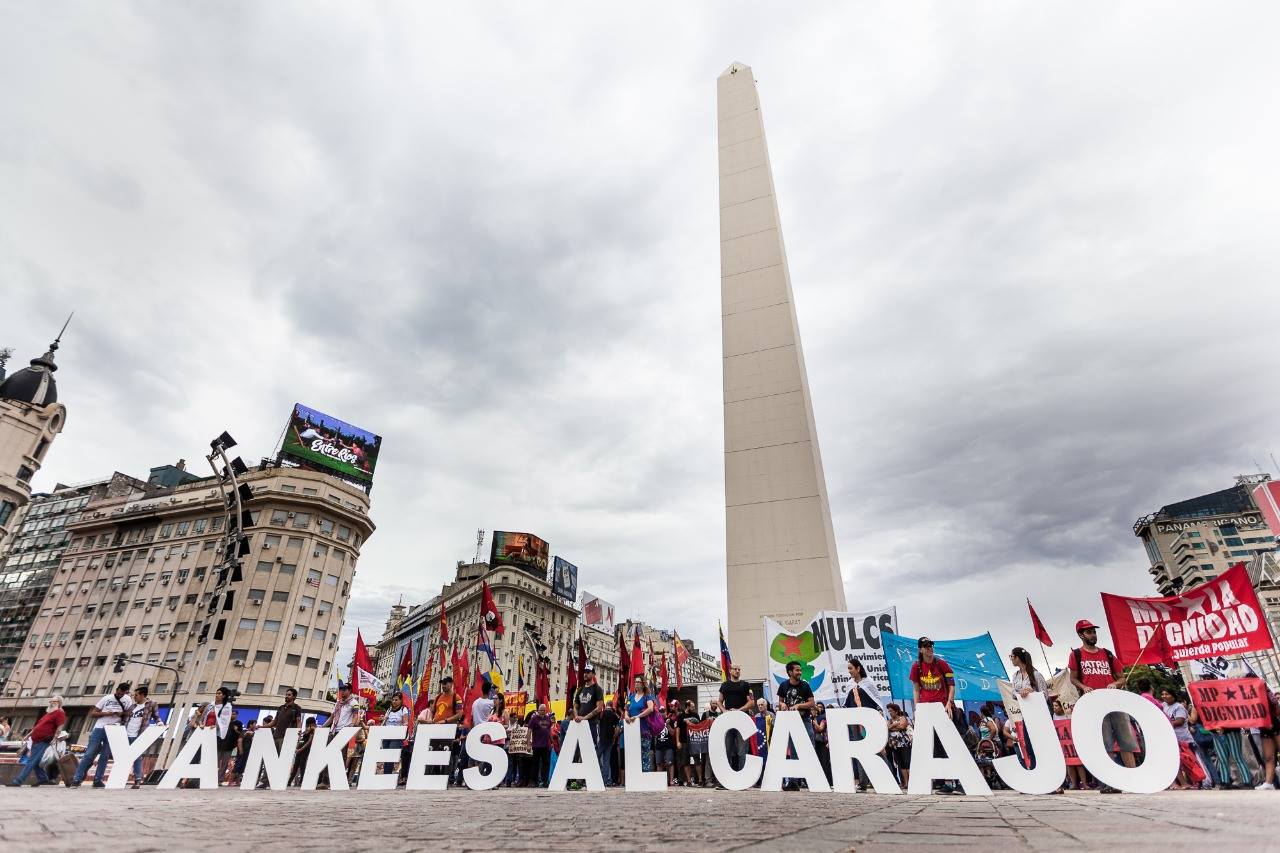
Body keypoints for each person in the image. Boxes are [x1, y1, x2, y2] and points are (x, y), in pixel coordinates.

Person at [1067, 619, 1137, 791]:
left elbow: (1122, 677)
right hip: (1094, 704)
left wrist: (1116, 683)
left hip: (1114, 702)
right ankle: (1110, 781)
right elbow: (1073, 678)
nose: (1093, 635)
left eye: (1094, 631)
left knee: (1126, 741)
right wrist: (1084, 687)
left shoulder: (1107, 653)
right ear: (1081, 635)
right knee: (1104, 743)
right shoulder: (1076, 655)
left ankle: (1134, 778)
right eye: (1089, 632)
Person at [909, 637, 964, 794]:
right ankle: (940, 781)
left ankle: (956, 781)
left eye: (931, 645)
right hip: (927, 710)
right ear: (920, 649)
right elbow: (916, 689)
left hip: (943, 709)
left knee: (949, 744)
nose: (929, 649)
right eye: (926, 646)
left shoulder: (941, 664)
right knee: (932, 745)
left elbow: (951, 685)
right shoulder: (916, 667)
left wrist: (949, 702)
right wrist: (917, 708)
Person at [72, 680, 134, 787]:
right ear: (117, 690)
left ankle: (97, 780)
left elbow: (129, 713)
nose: (120, 695)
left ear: (126, 693)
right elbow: (93, 713)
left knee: (105, 756)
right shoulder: (107, 698)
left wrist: (121, 713)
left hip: (114, 729)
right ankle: (77, 778)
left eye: (123, 694)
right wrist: (106, 713)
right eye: (119, 693)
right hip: (100, 727)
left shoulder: (128, 699)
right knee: (89, 754)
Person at [6, 696, 65, 787]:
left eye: (53, 701)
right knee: (35, 761)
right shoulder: (49, 713)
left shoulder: (59, 713)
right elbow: (37, 726)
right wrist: (28, 735)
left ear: (59, 702)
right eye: (50, 701)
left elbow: (60, 727)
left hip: (43, 740)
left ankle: (18, 781)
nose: (51, 702)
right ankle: (43, 778)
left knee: (32, 761)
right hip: (35, 739)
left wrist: (55, 738)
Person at [1161, 688, 1204, 789]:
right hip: (1173, 740)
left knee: (1190, 763)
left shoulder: (1179, 707)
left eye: (1167, 694)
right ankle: (1187, 783)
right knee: (1180, 763)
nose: (1164, 696)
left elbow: (1180, 721)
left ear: (1173, 696)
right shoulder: (1164, 706)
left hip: (1184, 740)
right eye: (1162, 694)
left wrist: (1165, 723)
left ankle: (1199, 782)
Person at [258, 688, 302, 788]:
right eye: (286, 694)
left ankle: (278, 781)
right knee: (270, 760)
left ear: (294, 697)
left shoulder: (296, 708)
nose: (287, 696)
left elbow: (298, 721)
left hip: (286, 738)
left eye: (289, 695)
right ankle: (264, 782)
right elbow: (274, 722)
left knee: (282, 761)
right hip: (275, 736)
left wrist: (298, 733)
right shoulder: (281, 707)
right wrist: (262, 726)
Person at [572, 665, 605, 780]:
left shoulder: (597, 689)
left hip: (592, 724)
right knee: (578, 750)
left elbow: (599, 708)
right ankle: (578, 779)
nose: (585, 674)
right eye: (584, 672)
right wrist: (577, 717)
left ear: (593, 674)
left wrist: (584, 718)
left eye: (588, 672)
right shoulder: (580, 689)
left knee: (592, 750)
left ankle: (595, 778)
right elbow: (575, 706)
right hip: (579, 724)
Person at [124, 685, 159, 789]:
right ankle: (121, 778)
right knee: (124, 758)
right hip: (125, 735)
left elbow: (156, 716)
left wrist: (160, 723)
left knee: (137, 758)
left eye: (136, 695)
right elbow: (125, 719)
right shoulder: (132, 707)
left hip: (138, 735)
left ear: (142, 695)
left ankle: (138, 780)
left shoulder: (151, 704)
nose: (134, 697)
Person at [719, 665, 752, 772]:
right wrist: (724, 710)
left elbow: (751, 702)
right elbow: (719, 701)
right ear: (730, 671)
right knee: (727, 748)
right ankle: (726, 776)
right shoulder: (724, 685)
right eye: (735, 669)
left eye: (739, 669)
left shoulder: (746, 685)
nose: (737, 671)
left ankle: (743, 775)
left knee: (742, 750)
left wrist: (739, 710)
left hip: (742, 720)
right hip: (728, 721)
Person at [432, 676, 464, 782]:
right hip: (436, 729)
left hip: (448, 729)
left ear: (451, 684)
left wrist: (446, 720)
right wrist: (433, 720)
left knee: (447, 753)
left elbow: (460, 714)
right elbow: (434, 711)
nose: (443, 686)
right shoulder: (438, 697)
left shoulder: (456, 697)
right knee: (435, 752)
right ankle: (436, 775)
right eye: (442, 684)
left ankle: (446, 777)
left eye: (445, 684)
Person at [623, 675, 657, 772]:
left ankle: (645, 776)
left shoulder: (647, 696)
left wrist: (637, 717)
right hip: (632, 730)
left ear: (643, 684)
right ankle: (634, 775)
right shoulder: (631, 697)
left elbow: (650, 708)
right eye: (635, 682)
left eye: (639, 682)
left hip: (644, 730)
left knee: (645, 755)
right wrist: (626, 715)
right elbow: (626, 709)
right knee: (633, 755)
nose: (636, 684)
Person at [210, 687, 237, 785]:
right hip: (212, 736)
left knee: (223, 763)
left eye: (220, 693)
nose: (217, 695)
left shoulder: (227, 708)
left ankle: (218, 779)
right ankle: (210, 777)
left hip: (225, 743)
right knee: (214, 759)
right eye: (216, 693)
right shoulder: (211, 705)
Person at [382, 692, 411, 781]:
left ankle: (388, 776)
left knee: (391, 755)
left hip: (396, 736)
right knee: (386, 756)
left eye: (396, 700)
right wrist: (382, 719)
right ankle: (385, 775)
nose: (394, 701)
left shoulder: (403, 709)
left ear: (401, 700)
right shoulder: (389, 709)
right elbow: (384, 721)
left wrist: (400, 728)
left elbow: (406, 722)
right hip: (387, 735)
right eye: (393, 700)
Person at [885, 703, 912, 790]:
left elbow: (903, 726)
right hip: (895, 745)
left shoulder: (903, 718)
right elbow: (887, 727)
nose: (890, 712)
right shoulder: (889, 720)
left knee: (907, 762)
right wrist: (895, 725)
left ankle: (912, 782)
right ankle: (906, 783)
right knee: (901, 764)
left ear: (896, 711)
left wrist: (892, 727)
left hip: (904, 744)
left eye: (891, 711)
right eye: (889, 711)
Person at [528, 701, 554, 786]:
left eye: (544, 710)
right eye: (541, 710)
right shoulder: (534, 719)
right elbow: (529, 731)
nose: (542, 712)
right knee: (535, 763)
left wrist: (552, 741)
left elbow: (549, 730)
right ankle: (534, 781)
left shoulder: (548, 719)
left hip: (545, 745)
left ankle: (545, 781)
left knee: (546, 764)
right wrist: (528, 743)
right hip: (536, 745)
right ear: (538, 710)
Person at [599, 694, 620, 787]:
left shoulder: (602, 713)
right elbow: (618, 728)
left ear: (606, 704)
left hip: (601, 739)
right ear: (612, 706)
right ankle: (605, 780)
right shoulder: (614, 715)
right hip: (610, 740)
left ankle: (597, 777)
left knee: (596, 757)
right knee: (607, 760)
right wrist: (614, 737)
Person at [653, 701, 677, 785]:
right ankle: (660, 781)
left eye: (663, 711)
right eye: (660, 711)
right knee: (659, 763)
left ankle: (671, 780)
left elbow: (673, 733)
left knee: (669, 763)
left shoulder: (670, 720)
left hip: (668, 745)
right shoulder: (656, 721)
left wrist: (668, 725)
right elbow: (654, 734)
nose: (662, 713)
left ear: (666, 711)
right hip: (659, 745)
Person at [290, 719, 317, 787]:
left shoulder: (312, 730)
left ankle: (302, 781)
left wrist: (301, 749)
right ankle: (289, 781)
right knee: (295, 766)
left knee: (302, 766)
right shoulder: (305, 730)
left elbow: (309, 741)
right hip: (299, 749)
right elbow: (301, 739)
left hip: (305, 750)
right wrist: (297, 748)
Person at [232, 720, 258, 787]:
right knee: (237, 765)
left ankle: (238, 781)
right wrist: (240, 749)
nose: (255, 725)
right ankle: (231, 781)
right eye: (254, 724)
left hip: (248, 752)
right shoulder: (244, 731)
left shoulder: (254, 733)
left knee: (242, 766)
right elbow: (239, 740)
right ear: (250, 725)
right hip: (242, 751)